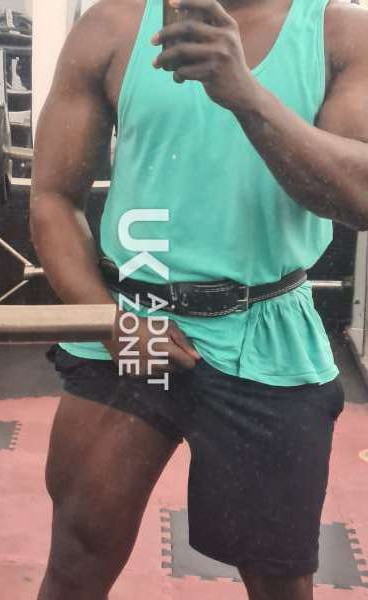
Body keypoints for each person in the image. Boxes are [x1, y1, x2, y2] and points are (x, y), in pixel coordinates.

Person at [30, 0, 368, 598]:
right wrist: (112, 325)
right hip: (132, 325)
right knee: (76, 560)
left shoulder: (340, 33)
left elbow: (358, 199)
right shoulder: (113, 25)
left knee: (282, 582)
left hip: (266, 334)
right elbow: (53, 198)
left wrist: (245, 93)